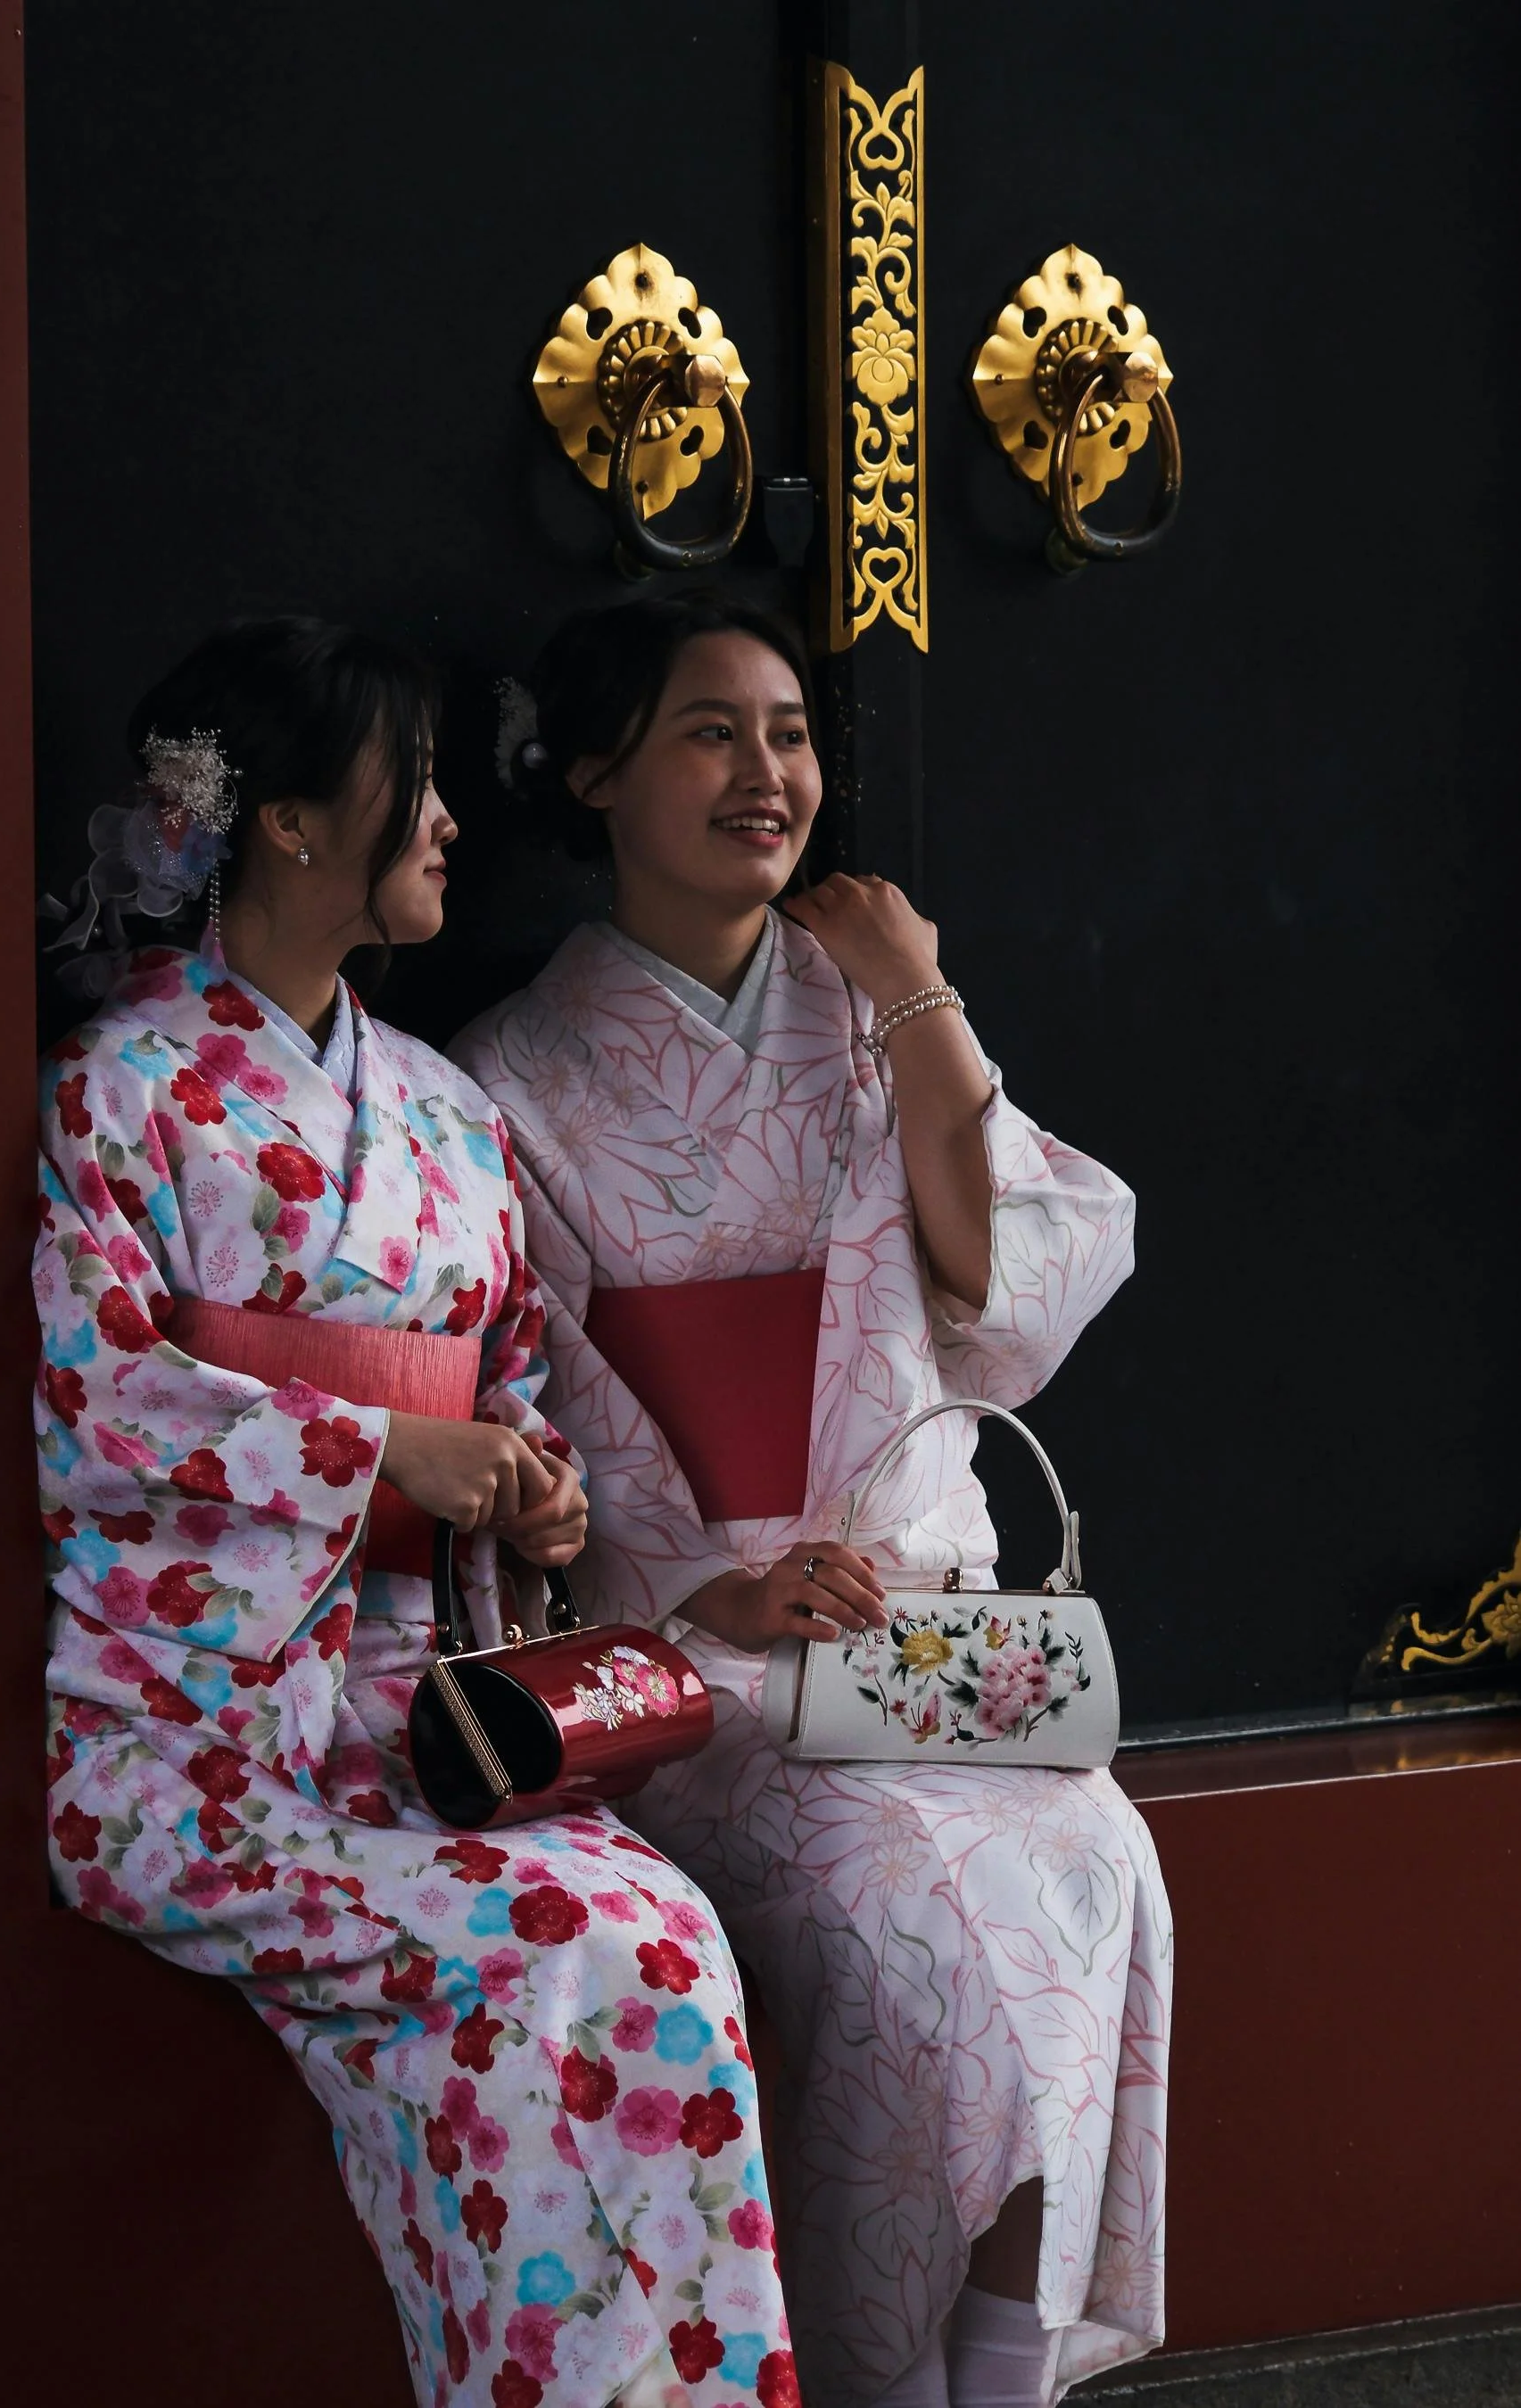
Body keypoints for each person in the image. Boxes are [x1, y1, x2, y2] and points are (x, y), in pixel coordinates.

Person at [34, 617, 797, 2408]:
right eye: (415, 783)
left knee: (664, 1936)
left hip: (417, 1714)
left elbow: (504, 1382)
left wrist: (522, 1488)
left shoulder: (447, 1118)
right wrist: (383, 1457)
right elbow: (95, 1398)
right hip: (199, 1739)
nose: (451, 820)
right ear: (289, 824)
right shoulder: (122, 1097)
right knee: (532, 1956)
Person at [454, 596, 1172, 2408]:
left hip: (933, 1658)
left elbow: (1006, 1313)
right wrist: (697, 1609)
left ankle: (990, 2383)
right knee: (900, 1924)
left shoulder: (866, 1025)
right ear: (597, 769)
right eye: (709, 731)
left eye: (787, 733)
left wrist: (918, 997)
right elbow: (505, 1449)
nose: (764, 773)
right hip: (711, 1684)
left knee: (1096, 1869)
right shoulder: (511, 1087)